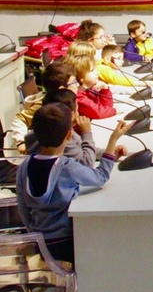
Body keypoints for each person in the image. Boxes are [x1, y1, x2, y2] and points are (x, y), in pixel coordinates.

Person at [16, 103, 130, 264]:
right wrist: (113, 140)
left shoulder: (23, 167)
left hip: (41, 244)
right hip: (69, 243)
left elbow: (22, 210)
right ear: (69, 135)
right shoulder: (67, 167)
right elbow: (101, 177)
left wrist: (34, 234)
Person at [11, 61, 79, 154]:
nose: (77, 85)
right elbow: (19, 119)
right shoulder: (44, 106)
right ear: (62, 89)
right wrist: (20, 142)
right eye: (74, 83)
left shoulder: (67, 100)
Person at [27, 88, 98, 167]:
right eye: (77, 110)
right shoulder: (60, 138)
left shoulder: (52, 128)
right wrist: (87, 133)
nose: (78, 114)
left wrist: (109, 153)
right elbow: (87, 163)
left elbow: (82, 149)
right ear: (71, 115)